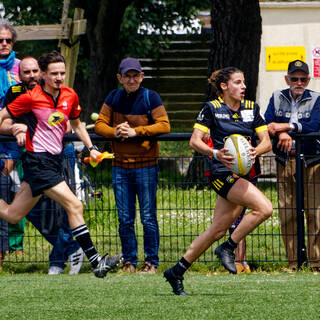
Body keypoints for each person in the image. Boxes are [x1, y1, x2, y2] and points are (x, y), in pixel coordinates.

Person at [0, 50, 122, 278]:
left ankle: (95, 262)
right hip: (38, 162)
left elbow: (76, 125)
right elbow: (2, 116)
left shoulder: (69, 95)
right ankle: (97, 263)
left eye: (62, 73)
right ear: (43, 75)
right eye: (53, 73)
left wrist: (92, 148)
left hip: (54, 162)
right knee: (75, 206)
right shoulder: (29, 97)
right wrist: (14, 127)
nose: (59, 77)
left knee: (13, 214)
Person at [163, 67, 273, 295]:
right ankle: (228, 248)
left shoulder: (252, 109)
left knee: (217, 229)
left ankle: (177, 270)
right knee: (265, 208)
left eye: (244, 83)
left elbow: (266, 142)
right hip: (221, 173)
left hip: (242, 174)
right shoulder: (212, 108)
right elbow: (195, 141)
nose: (243, 87)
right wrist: (215, 153)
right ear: (224, 86)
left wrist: (255, 151)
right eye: (238, 82)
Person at [3, 56, 84, 275]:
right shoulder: (18, 94)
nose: (31, 75)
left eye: (34, 71)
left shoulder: (63, 93)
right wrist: (15, 128)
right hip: (33, 160)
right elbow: (5, 121)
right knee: (51, 210)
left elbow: (70, 121)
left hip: (59, 155)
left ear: (41, 73)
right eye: (26, 72)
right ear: (19, 74)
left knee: (15, 214)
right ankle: (73, 252)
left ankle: (63, 256)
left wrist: (64, 124)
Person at [95, 57, 170, 273]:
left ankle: (151, 262)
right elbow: (100, 125)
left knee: (148, 217)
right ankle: (129, 261)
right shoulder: (114, 96)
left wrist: (137, 132)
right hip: (120, 165)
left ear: (141, 77)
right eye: (127, 76)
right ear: (119, 78)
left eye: (135, 75)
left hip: (146, 165)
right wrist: (115, 132)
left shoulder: (150, 97)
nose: (131, 80)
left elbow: (164, 125)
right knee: (125, 217)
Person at [264, 60, 320, 271]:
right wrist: (282, 133)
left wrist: (287, 126)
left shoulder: (316, 99)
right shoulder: (277, 97)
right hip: (285, 160)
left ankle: (316, 263)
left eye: (303, 79)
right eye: (294, 78)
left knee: (315, 212)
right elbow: (268, 123)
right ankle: (294, 262)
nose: (299, 82)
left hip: (312, 161)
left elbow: (315, 125)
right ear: (287, 78)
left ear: (308, 79)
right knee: (287, 211)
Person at [0, 21, 21, 268]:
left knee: (13, 198)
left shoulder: (21, 68)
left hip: (15, 141)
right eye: (0, 40)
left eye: (8, 40)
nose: (4, 44)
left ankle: (13, 248)